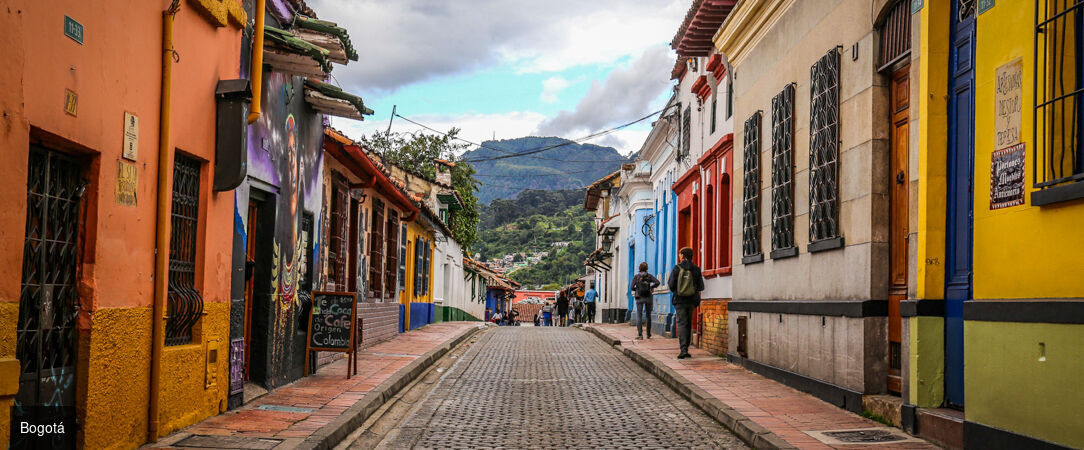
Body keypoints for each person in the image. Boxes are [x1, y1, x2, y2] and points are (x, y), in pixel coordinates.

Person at [667, 247, 704, 359]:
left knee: (682, 323)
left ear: (682, 255)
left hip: (679, 301)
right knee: (688, 323)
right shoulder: (696, 269)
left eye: (679, 254)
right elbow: (701, 286)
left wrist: (679, 292)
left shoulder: (677, 268)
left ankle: (683, 349)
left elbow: (671, 285)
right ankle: (686, 348)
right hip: (692, 301)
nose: (679, 256)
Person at [630, 262, 661, 339]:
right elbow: (657, 282)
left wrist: (637, 289)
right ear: (646, 268)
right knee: (648, 316)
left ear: (639, 268)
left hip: (639, 297)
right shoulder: (649, 276)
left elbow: (631, 287)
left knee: (639, 316)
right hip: (648, 297)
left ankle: (640, 335)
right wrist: (651, 287)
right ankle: (648, 334)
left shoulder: (636, 277)